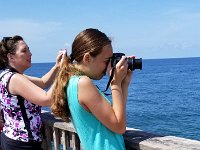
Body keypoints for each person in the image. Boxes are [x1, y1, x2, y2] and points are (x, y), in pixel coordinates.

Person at [51, 28, 133, 150]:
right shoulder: (83, 83)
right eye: (106, 61)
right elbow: (120, 127)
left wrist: (123, 84)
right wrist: (115, 84)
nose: (109, 66)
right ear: (87, 58)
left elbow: (116, 115)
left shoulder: (72, 81)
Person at [0, 35, 63, 150]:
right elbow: (46, 99)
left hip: (11, 139)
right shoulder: (15, 79)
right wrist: (64, 73)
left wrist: (57, 66)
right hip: (23, 144)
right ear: (11, 56)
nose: (30, 53)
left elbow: (43, 82)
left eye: (29, 49)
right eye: (24, 50)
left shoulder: (5, 75)